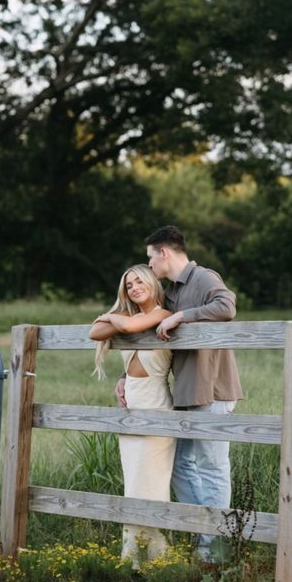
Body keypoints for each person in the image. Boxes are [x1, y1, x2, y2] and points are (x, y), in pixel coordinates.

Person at [115, 225, 242, 563]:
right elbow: (150, 337)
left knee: (212, 465)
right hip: (185, 393)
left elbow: (227, 306)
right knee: (182, 465)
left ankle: (217, 548)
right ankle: (206, 536)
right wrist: (124, 375)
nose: (149, 265)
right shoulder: (170, 291)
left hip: (212, 389)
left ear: (164, 253)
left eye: (150, 258)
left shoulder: (203, 279)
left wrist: (185, 316)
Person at [89, 264, 175, 569]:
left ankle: (154, 556)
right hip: (130, 406)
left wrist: (113, 316)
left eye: (140, 281)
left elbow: (124, 329)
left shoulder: (162, 315)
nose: (134, 287)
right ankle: (132, 555)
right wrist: (118, 317)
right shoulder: (129, 317)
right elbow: (94, 332)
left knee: (150, 483)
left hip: (155, 405)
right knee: (133, 482)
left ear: (152, 283)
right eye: (128, 285)